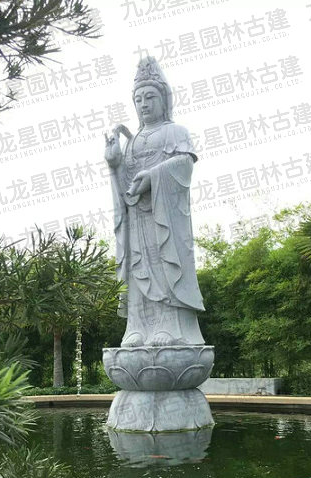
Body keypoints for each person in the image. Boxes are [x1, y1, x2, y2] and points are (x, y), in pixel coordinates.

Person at [105, 57, 205, 347]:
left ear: (164, 100)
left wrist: (154, 175)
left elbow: (185, 164)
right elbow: (126, 188)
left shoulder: (175, 132)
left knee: (163, 266)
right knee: (138, 267)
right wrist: (114, 163)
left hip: (165, 219)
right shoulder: (132, 141)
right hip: (137, 219)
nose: (144, 104)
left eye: (150, 97)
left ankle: (171, 327)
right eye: (138, 99)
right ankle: (137, 326)